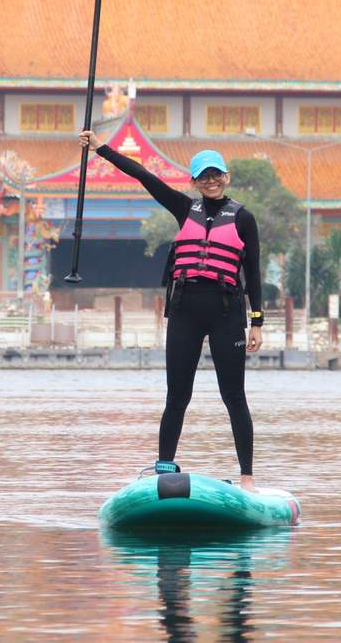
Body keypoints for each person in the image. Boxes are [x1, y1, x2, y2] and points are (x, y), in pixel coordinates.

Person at [80, 130, 264, 491]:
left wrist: (257, 322)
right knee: (177, 396)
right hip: (185, 311)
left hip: (227, 313)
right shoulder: (184, 208)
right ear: (194, 181)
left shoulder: (244, 218)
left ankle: (247, 477)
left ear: (226, 177)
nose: (211, 181)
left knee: (234, 396)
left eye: (216, 174)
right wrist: (101, 149)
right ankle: (165, 470)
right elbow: (143, 176)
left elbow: (254, 272)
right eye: (204, 176)